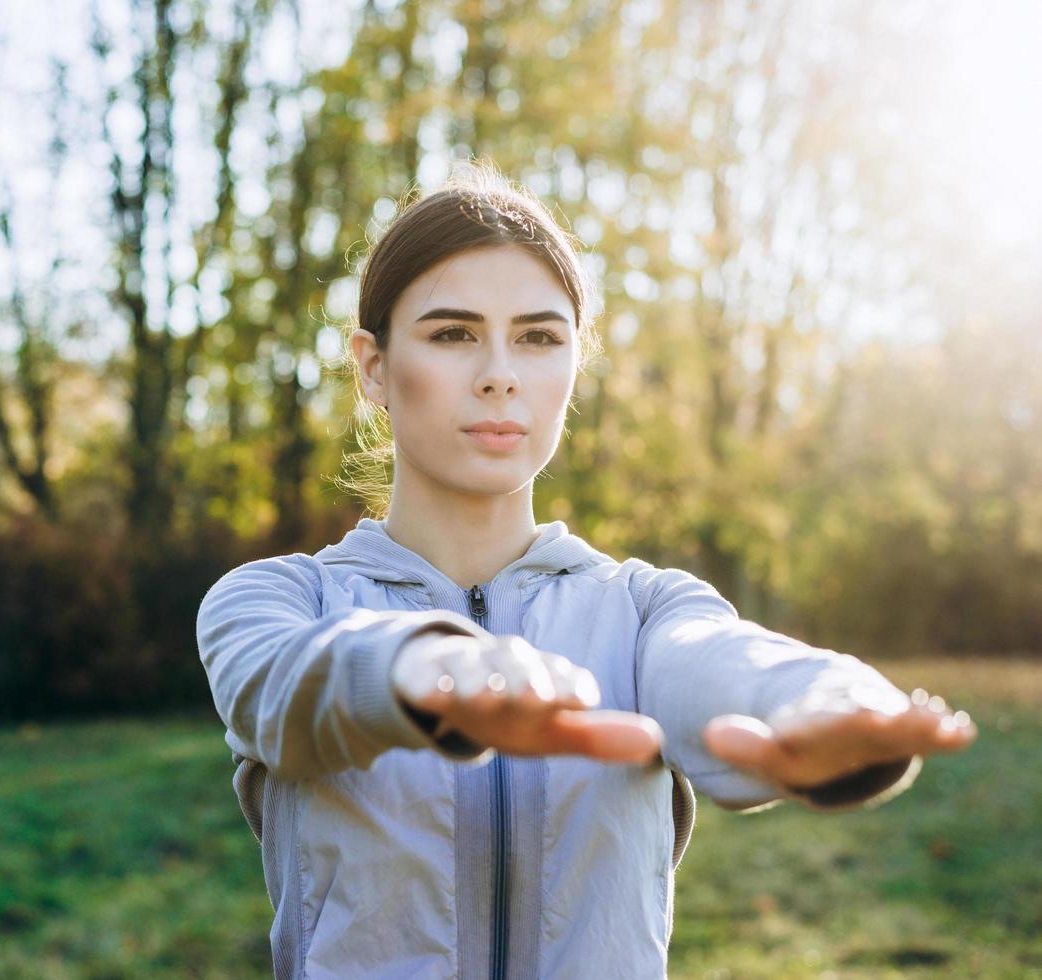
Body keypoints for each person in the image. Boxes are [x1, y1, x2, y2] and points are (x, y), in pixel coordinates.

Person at [194, 162, 976, 979]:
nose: (500, 374)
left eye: (538, 337)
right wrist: (429, 667)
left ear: (572, 368)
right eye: (453, 333)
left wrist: (827, 704)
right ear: (374, 367)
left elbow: (725, 663)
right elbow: (285, 686)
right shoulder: (279, 598)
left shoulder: (643, 610)